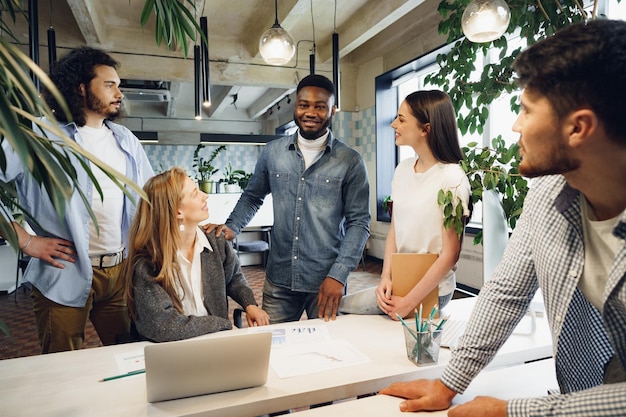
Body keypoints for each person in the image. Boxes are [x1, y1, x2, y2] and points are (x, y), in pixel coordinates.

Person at [380, 19, 626, 416]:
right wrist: (448, 383)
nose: (515, 125)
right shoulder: (548, 194)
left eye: (527, 111)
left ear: (579, 127)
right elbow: (506, 292)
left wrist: (514, 411)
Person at [0, 46, 154, 353]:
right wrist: (26, 241)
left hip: (119, 272)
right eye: (109, 84)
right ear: (81, 88)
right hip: (64, 271)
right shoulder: (38, 134)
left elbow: (151, 196)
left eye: (119, 86)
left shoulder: (126, 140)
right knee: (62, 366)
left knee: (128, 357)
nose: (119, 93)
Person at [207, 74, 370, 323]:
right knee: (273, 349)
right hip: (279, 279)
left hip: (326, 281)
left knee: (329, 353)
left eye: (320, 106)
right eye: (304, 104)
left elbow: (359, 223)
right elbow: (253, 196)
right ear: (295, 105)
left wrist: (338, 275)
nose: (310, 112)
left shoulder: (350, 161)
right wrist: (232, 227)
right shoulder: (273, 152)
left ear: (333, 110)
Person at [339, 90, 470, 318]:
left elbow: (450, 255)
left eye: (401, 119)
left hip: (434, 289)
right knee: (341, 306)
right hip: (402, 279)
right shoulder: (402, 170)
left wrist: (408, 303)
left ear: (425, 128)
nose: (392, 124)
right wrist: (385, 278)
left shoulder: (452, 178)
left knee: (341, 307)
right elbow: (394, 233)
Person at [123, 167, 269, 342]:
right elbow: (162, 326)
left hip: (214, 344)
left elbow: (234, 279)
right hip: (172, 351)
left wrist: (250, 304)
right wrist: (222, 325)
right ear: (178, 211)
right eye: (194, 194)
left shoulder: (217, 242)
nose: (204, 196)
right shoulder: (148, 262)